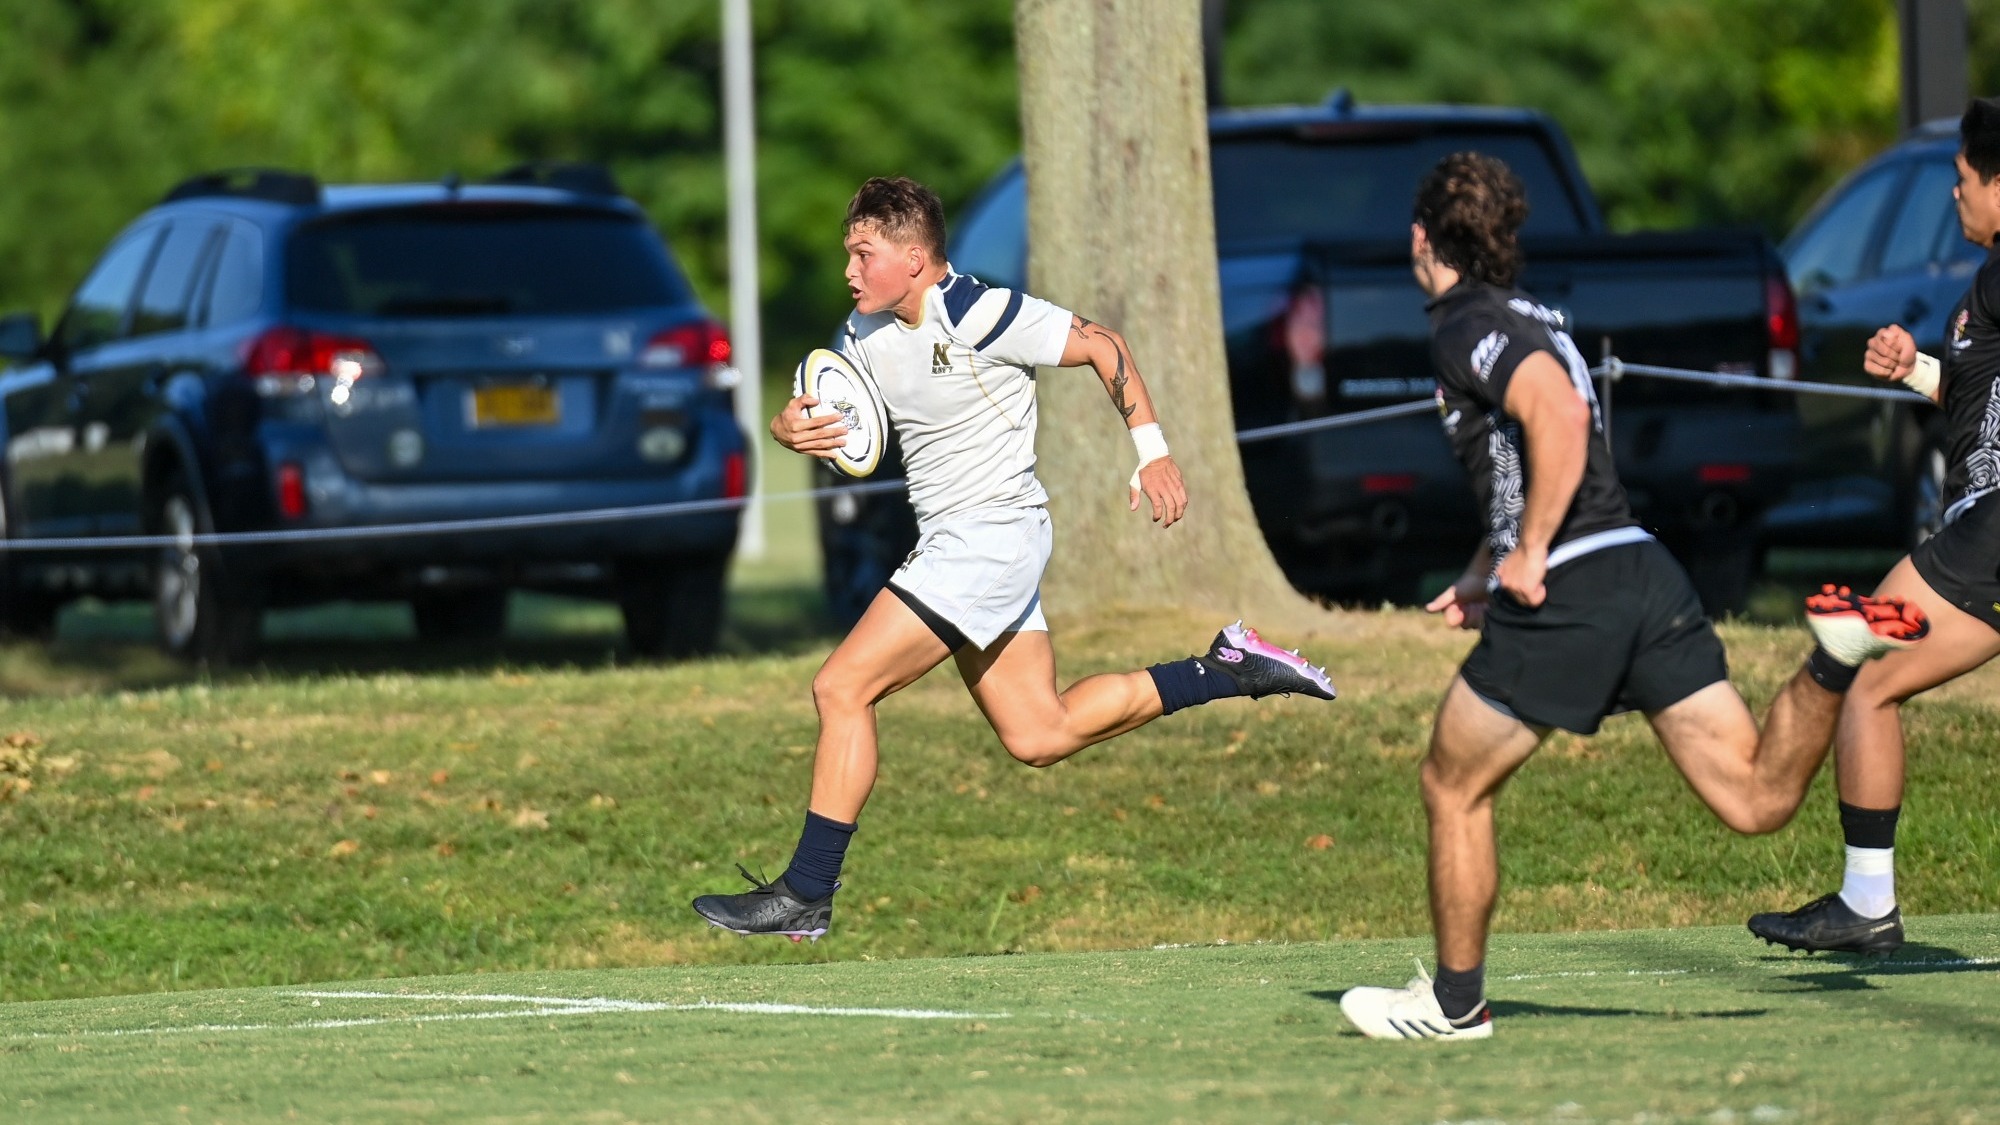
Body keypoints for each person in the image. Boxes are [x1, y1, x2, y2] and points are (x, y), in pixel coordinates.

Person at [1336, 153, 1930, 1041]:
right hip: (1642, 568)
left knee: (1451, 782)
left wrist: (1531, 551)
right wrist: (1483, 564)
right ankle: (1833, 654)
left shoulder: (1465, 322)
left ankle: (1456, 1005)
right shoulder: (1534, 314)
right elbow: (1530, 456)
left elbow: (1560, 420)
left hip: (1576, 582)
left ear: (1422, 237)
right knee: (1756, 800)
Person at [692, 176, 1336, 941]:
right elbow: (832, 417)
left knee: (842, 687)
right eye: (849, 255)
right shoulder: (861, 333)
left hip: (989, 541)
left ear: (914, 255)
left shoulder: (977, 310)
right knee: (1041, 734)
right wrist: (787, 428)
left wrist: (1152, 453)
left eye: (864, 255)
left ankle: (806, 891)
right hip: (961, 546)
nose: (850, 271)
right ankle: (1227, 667)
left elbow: (1104, 344)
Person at [1747, 97, 2000, 956]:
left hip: (1989, 531)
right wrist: (1918, 369)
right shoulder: (1986, 284)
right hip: (1980, 526)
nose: (1954, 195)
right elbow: (1976, 407)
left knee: (1868, 674)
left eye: (1963, 180)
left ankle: (1866, 905)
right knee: (1869, 673)